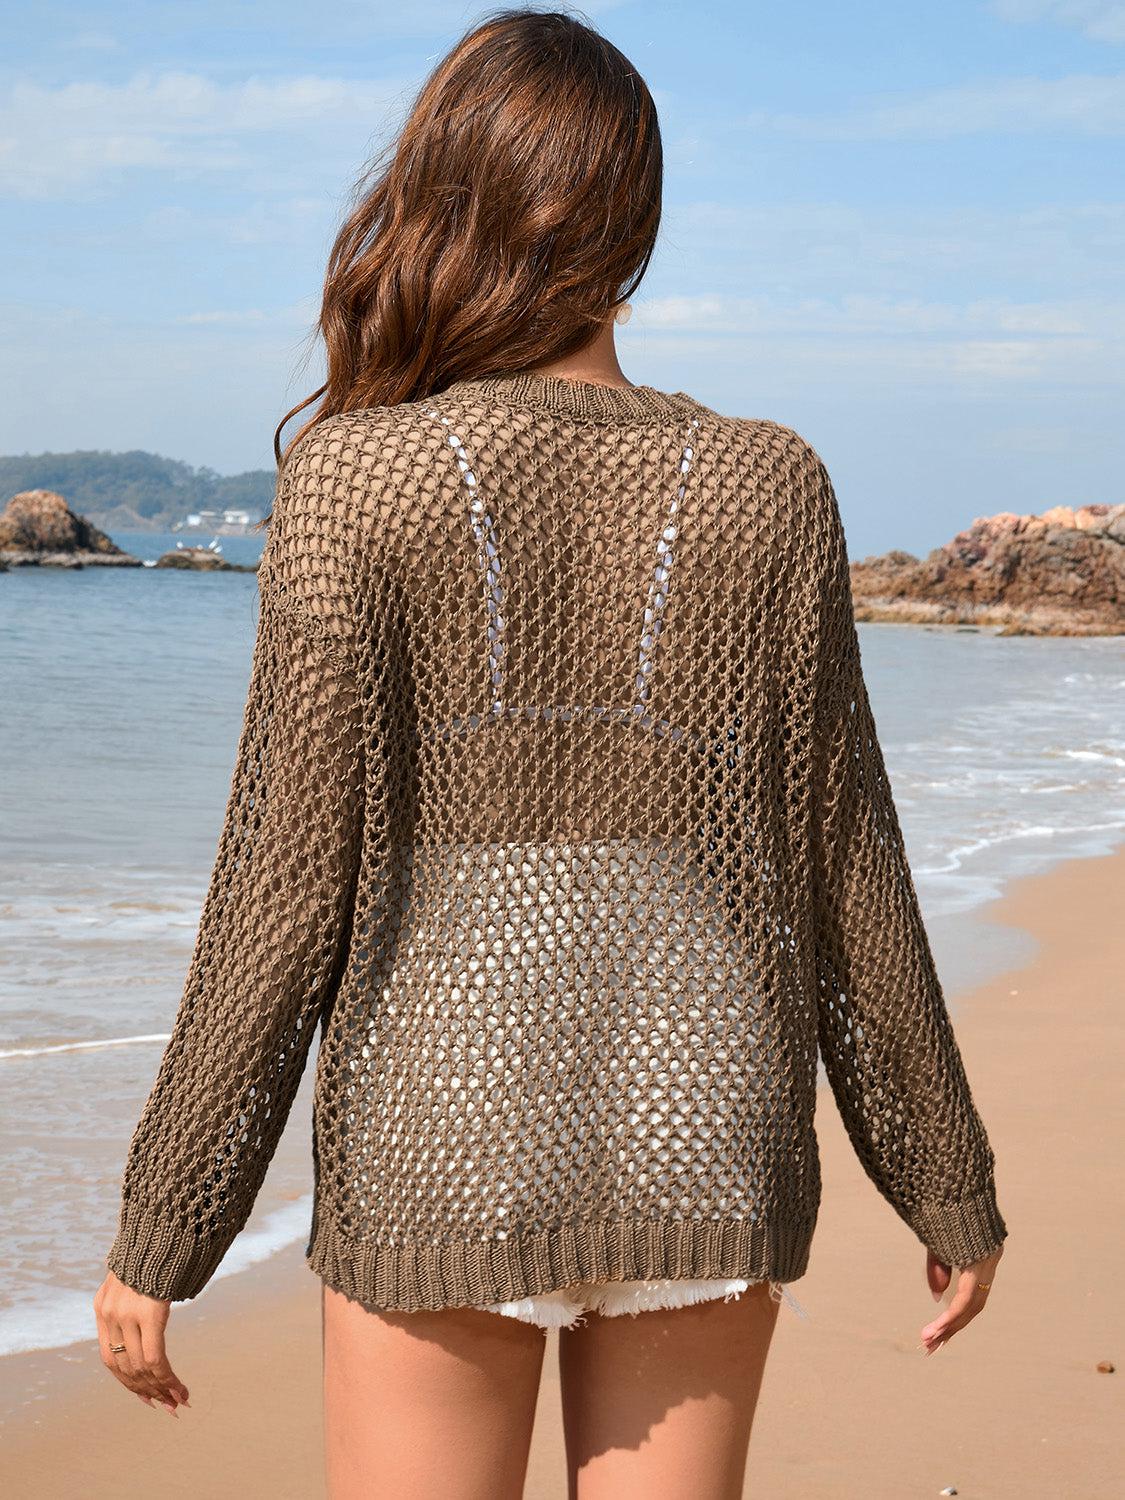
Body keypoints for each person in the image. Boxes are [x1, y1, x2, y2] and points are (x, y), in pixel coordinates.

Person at [93, 8, 1007, 1497]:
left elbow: (280, 894)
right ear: (633, 223)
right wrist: (946, 1185)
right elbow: (849, 864)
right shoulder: (770, 484)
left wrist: (165, 1231)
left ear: (437, 195)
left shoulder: (349, 481)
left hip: (438, 1107)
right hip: (699, 1095)